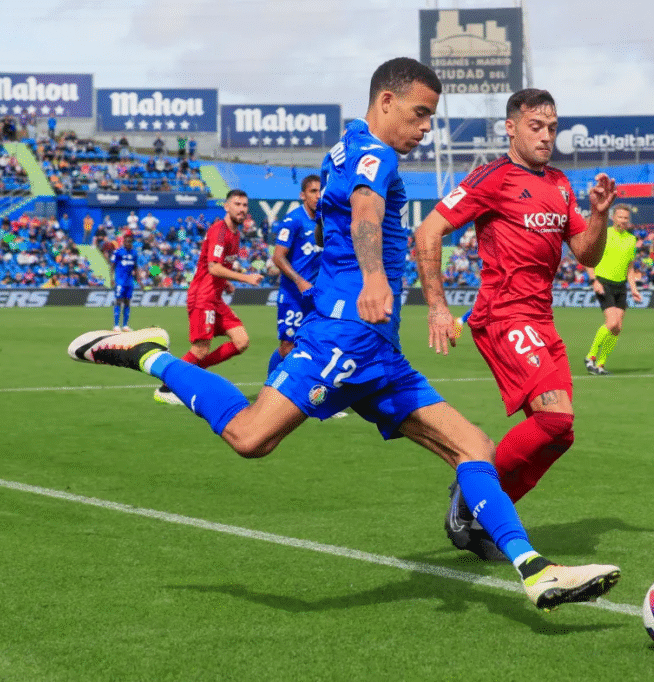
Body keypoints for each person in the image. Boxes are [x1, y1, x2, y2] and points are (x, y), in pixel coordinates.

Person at [67, 58, 619, 612]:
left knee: (473, 448)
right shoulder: (375, 154)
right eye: (420, 113)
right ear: (386, 103)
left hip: (378, 348)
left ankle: (536, 571)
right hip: (345, 338)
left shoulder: (349, 143)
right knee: (250, 438)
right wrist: (376, 276)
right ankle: (148, 354)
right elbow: (364, 210)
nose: (426, 128)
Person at [414, 88, 618, 559]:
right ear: (511, 127)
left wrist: (599, 215)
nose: (547, 137)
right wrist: (438, 307)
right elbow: (428, 230)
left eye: (552, 128)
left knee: (560, 435)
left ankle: (481, 506)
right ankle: (471, 497)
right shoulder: (492, 177)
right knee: (554, 417)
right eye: (536, 127)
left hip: (541, 320)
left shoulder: (561, 184)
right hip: (504, 316)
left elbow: (586, 253)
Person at [153, 189, 264, 405]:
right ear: (226, 206)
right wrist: (245, 278)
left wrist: (228, 282)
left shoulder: (235, 233)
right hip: (203, 296)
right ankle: (166, 388)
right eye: (237, 204)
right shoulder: (219, 231)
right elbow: (213, 267)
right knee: (200, 349)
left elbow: (213, 265)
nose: (242, 209)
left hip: (215, 298)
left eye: (244, 205)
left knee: (241, 341)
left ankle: (190, 373)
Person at [268, 174, 323, 375]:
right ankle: (270, 389)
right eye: (312, 191)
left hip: (317, 295)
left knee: (317, 345)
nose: (318, 196)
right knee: (287, 348)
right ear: (303, 195)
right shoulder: (293, 220)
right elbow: (278, 257)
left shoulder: (325, 222)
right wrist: (299, 280)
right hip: (294, 295)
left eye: (320, 191)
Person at [583, 203, 643, 376]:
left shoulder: (631, 239)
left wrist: (633, 289)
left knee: (617, 328)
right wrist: (594, 280)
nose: (623, 220)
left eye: (626, 218)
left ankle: (600, 365)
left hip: (621, 285)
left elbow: (630, 268)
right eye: (620, 217)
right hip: (603, 282)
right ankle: (591, 356)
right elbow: (588, 258)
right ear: (613, 217)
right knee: (612, 323)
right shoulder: (604, 234)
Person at [110, 231, 139, 331]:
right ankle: (116, 325)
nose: (128, 243)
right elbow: (112, 265)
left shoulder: (134, 253)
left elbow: (136, 267)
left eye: (129, 242)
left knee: (127, 302)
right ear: (123, 242)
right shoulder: (118, 252)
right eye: (126, 241)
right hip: (120, 281)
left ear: (131, 242)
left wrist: (139, 280)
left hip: (129, 282)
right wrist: (111, 279)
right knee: (118, 301)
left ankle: (125, 325)